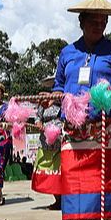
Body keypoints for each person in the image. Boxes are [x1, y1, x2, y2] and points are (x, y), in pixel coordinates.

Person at [51, 0, 111, 220]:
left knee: (103, 178)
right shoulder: (67, 52)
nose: (98, 25)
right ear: (82, 22)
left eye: (103, 21)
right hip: (73, 127)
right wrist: (56, 95)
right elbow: (58, 85)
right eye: (93, 21)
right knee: (73, 177)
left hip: (105, 124)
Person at [33, 76, 63, 210]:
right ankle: (56, 199)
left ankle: (62, 200)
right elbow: (37, 118)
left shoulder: (64, 101)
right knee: (46, 167)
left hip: (60, 140)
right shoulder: (43, 102)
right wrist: (39, 125)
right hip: (45, 141)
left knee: (60, 169)